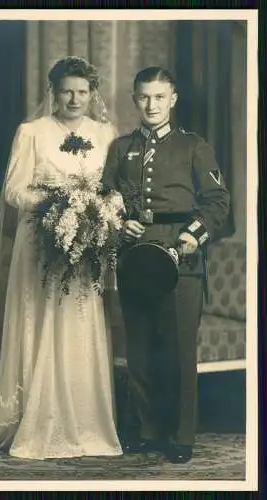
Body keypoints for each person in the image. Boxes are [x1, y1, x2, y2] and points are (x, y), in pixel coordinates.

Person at [0, 56, 123, 460]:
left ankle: (86, 424)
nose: (75, 98)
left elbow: (115, 190)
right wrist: (58, 204)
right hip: (40, 244)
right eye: (67, 90)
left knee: (79, 325)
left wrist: (95, 210)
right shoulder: (31, 132)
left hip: (85, 246)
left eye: (83, 91)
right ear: (53, 92)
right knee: (41, 322)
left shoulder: (106, 133)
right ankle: (34, 421)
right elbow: (14, 192)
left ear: (92, 94)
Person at [102, 66, 230, 463]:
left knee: (177, 350)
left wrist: (193, 236)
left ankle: (180, 435)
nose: (151, 104)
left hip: (181, 255)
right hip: (135, 255)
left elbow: (218, 201)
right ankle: (146, 430)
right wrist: (120, 223)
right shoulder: (120, 148)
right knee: (139, 349)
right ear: (134, 99)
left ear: (173, 99)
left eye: (159, 97)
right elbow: (104, 198)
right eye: (144, 97)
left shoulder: (194, 146)